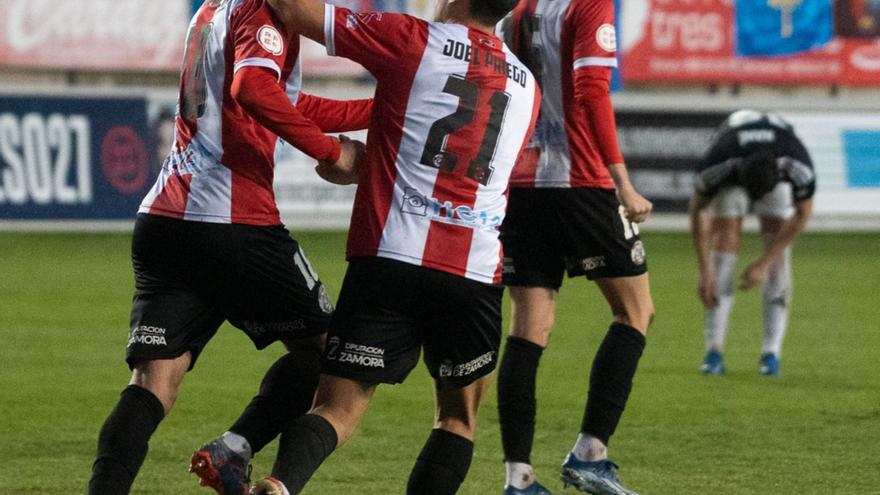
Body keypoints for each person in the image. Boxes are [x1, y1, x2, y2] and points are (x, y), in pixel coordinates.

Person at [248, 0, 540, 493]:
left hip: (389, 258)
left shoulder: (411, 38)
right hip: (472, 273)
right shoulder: (527, 87)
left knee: (336, 409)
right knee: (456, 420)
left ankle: (279, 486)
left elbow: (291, 9)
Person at [86, 0, 373, 493]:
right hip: (233, 221)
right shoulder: (262, 10)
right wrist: (331, 154)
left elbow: (286, 102)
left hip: (165, 218)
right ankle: (234, 451)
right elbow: (254, 88)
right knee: (329, 352)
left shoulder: (213, 10)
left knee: (155, 380)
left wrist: (384, 110)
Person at [494, 1, 655, 493]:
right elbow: (591, 92)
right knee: (635, 312)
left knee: (528, 329)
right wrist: (622, 182)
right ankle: (589, 452)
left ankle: (518, 477)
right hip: (581, 180)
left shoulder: (513, 10)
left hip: (520, 184)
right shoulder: (589, 4)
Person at [689, 109, 815, 377]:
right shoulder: (719, 160)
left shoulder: (796, 161)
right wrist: (704, 270)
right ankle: (714, 352)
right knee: (724, 243)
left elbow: (803, 213)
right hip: (734, 170)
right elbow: (698, 210)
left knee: (777, 254)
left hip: (773, 174)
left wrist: (764, 263)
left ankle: (771, 354)